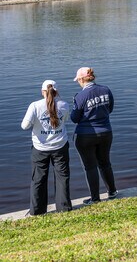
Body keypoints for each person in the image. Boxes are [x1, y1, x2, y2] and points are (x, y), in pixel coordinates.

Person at [21, 80, 72, 215]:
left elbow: (24, 126)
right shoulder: (64, 105)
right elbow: (65, 119)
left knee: (38, 179)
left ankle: (37, 211)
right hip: (60, 146)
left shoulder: (35, 106)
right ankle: (64, 208)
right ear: (56, 91)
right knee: (62, 176)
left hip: (40, 148)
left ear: (42, 91)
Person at [71, 67, 117, 205]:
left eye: (78, 80)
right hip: (106, 132)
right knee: (105, 163)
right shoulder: (106, 90)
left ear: (81, 79)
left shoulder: (80, 96)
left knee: (90, 167)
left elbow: (74, 118)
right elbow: (110, 108)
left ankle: (95, 198)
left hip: (85, 136)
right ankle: (112, 192)